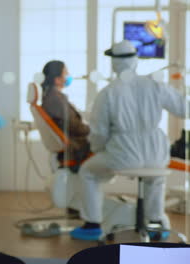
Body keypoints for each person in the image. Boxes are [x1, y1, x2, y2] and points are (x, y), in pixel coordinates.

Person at [70, 40, 187, 241]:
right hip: (155, 152)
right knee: (155, 178)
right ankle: (155, 223)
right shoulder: (156, 84)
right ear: (135, 61)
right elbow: (184, 109)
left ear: (114, 63)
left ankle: (92, 225)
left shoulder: (107, 93)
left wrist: (98, 150)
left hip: (123, 154)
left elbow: (99, 133)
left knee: (88, 172)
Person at [41, 60, 91, 172]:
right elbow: (74, 126)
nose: (68, 76)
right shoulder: (55, 100)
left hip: (74, 143)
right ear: (57, 79)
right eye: (66, 73)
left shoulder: (52, 98)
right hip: (77, 147)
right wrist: (92, 130)